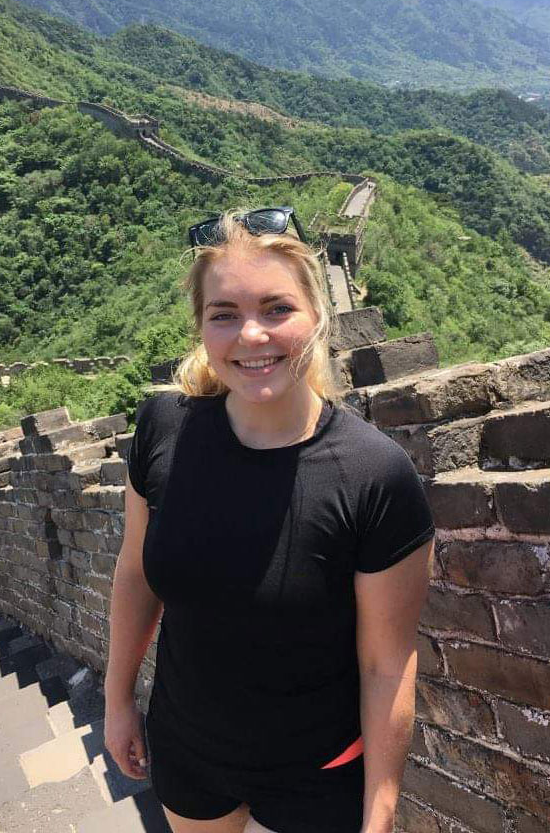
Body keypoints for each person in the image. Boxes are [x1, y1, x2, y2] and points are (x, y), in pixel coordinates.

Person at [104, 206, 435, 833]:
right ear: (200, 326)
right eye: (224, 315)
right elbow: (135, 574)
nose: (251, 336)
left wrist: (381, 810)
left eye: (277, 309)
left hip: (317, 773)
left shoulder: (374, 476)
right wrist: (118, 699)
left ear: (317, 315)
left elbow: (387, 664)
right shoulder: (163, 430)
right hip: (188, 756)